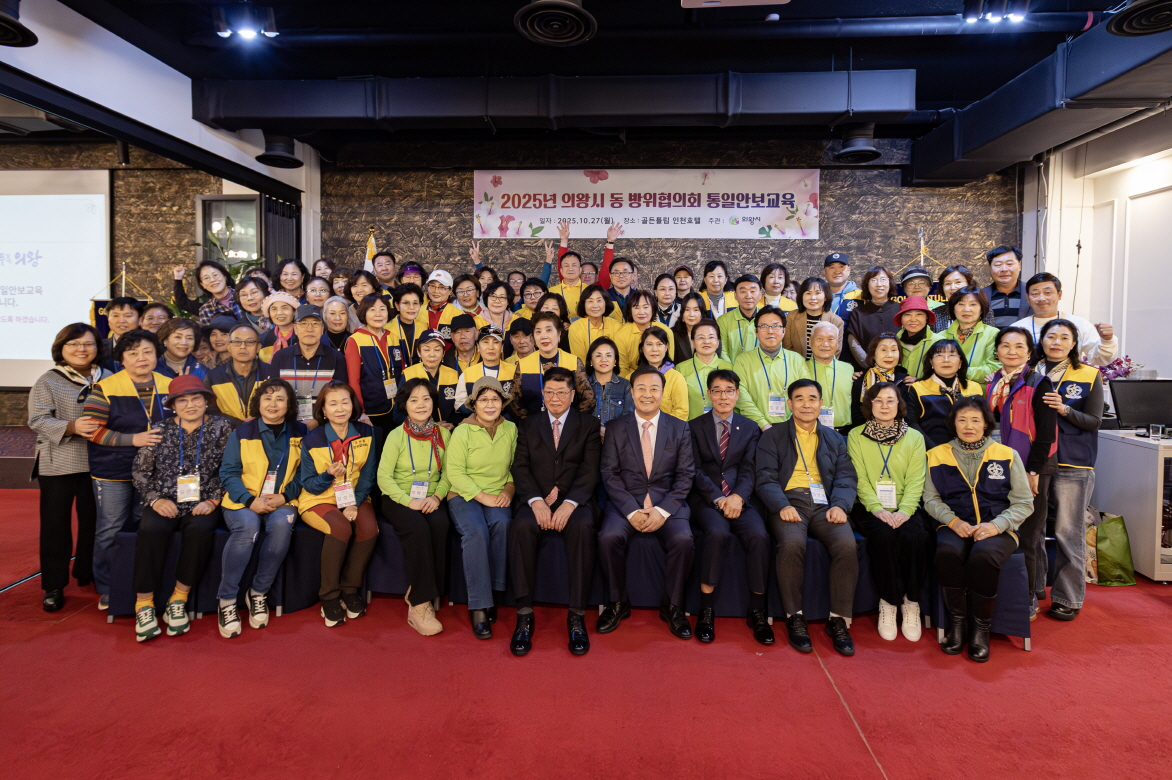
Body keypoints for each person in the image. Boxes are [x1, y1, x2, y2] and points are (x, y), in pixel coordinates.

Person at [755, 378, 859, 656]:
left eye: (812, 399)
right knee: (791, 544)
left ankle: (838, 620)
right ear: (789, 404)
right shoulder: (773, 436)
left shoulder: (835, 439)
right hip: (789, 503)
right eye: (799, 399)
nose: (806, 404)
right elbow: (764, 478)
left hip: (826, 505)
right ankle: (794, 617)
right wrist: (780, 506)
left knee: (847, 546)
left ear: (821, 404)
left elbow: (846, 478)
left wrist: (840, 505)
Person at [925, 396, 1033, 662]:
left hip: (998, 526)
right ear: (953, 423)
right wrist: (953, 521)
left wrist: (997, 525)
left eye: (975, 420)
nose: (968, 425)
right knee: (947, 552)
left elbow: (1024, 502)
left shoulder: (1007, 455)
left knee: (983, 556)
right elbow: (930, 499)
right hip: (955, 524)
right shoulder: (936, 455)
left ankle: (980, 631)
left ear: (986, 424)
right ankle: (958, 625)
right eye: (962, 420)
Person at [129, 375, 233, 642]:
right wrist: (155, 499)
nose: (190, 405)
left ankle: (179, 598)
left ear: (206, 401)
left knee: (201, 529)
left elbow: (230, 470)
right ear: (173, 405)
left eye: (196, 398)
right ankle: (144, 603)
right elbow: (140, 472)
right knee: (150, 529)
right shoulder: (159, 430)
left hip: (203, 500)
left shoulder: (222, 429)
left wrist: (212, 499)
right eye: (182, 400)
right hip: (164, 499)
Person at [508, 367, 603, 656]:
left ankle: (576, 616)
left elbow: (590, 470)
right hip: (535, 499)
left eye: (562, 392)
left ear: (573, 395)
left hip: (576, 501)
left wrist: (568, 502)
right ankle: (524, 615)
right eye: (549, 392)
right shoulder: (528, 424)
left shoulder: (588, 424)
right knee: (521, 527)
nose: (555, 398)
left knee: (583, 527)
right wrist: (536, 500)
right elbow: (520, 467)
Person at [597, 365, 696, 639]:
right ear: (631, 392)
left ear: (663, 393)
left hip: (667, 502)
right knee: (608, 537)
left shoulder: (679, 428)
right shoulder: (617, 427)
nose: (647, 394)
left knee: (683, 541)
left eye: (654, 389)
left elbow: (686, 475)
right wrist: (630, 510)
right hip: (627, 502)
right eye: (641, 388)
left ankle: (673, 605)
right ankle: (618, 602)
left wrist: (662, 511)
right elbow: (609, 474)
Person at [84, 329, 172, 610]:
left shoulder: (171, 384)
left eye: (147, 351)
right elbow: (92, 430)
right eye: (132, 353)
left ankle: (137, 582)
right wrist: (132, 440)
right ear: (121, 359)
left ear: (157, 354)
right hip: (114, 471)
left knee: (140, 527)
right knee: (111, 528)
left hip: (155, 474)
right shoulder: (106, 388)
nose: (141, 358)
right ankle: (109, 585)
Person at [687, 369, 773, 645]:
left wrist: (737, 497)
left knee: (759, 536)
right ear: (709, 394)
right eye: (717, 390)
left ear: (737, 394)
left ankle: (757, 611)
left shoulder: (749, 428)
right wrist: (718, 498)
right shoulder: (693, 426)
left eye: (729, 390)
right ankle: (707, 610)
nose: (723, 396)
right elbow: (694, 470)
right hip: (707, 499)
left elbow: (750, 470)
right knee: (716, 533)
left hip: (741, 498)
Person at [28, 324, 108, 612]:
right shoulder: (49, 380)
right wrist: (71, 426)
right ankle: (53, 585)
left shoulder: (109, 377)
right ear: (61, 348)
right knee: (55, 527)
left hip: (100, 463)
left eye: (88, 344)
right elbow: (37, 420)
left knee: (94, 523)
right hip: (58, 463)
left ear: (98, 347)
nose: (82, 349)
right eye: (73, 344)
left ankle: (87, 572)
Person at [216, 377, 304, 639]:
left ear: (289, 405)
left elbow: (305, 472)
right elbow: (228, 473)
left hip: (282, 500)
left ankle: (258, 593)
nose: (273, 404)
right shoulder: (241, 433)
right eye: (267, 398)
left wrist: (285, 495)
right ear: (258, 403)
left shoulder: (302, 433)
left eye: (280, 399)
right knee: (248, 527)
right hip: (243, 500)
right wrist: (249, 500)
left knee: (281, 525)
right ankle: (227, 600)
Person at [847, 383, 929, 642]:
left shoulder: (914, 437)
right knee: (882, 537)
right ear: (869, 404)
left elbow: (917, 479)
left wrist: (904, 511)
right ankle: (889, 602)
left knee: (915, 536)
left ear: (899, 405)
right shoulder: (855, 435)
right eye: (878, 401)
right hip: (869, 506)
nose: (884, 406)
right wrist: (877, 508)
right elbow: (858, 478)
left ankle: (911, 602)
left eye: (890, 401)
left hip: (907, 506)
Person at [1036, 318, 1103, 622]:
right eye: (1051, 336)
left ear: (1074, 343)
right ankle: (1032, 591)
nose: (1057, 342)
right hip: (1033, 462)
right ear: (1042, 339)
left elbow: (1094, 421)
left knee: (1067, 532)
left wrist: (1065, 409)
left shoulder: (1088, 375)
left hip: (1072, 461)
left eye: (1064, 337)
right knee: (1032, 531)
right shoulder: (1030, 371)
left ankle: (1068, 597)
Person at [297, 381, 380, 628]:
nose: (340, 408)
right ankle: (329, 596)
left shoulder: (366, 434)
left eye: (345, 402)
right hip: (318, 499)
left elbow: (367, 475)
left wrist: (354, 502)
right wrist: (327, 476)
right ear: (323, 410)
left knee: (369, 528)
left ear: (352, 405)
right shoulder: (312, 440)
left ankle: (349, 588)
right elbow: (309, 484)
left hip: (354, 496)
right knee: (341, 528)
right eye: (332, 403)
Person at [986, 327, 1056, 617]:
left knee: (1028, 534)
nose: (1011, 351)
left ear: (1029, 352)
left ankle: (1027, 598)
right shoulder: (994, 383)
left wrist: (1034, 471)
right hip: (1001, 467)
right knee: (1004, 531)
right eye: (1005, 345)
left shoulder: (1039, 383)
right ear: (997, 351)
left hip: (1031, 467)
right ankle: (1007, 592)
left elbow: (1046, 433)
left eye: (1018, 346)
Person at [377, 378, 451, 637]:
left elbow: (450, 473)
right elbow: (384, 477)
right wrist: (409, 501)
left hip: (431, 497)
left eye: (426, 399)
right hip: (398, 498)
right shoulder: (396, 435)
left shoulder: (443, 434)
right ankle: (419, 605)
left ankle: (425, 592)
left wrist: (437, 497)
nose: (421, 405)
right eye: (414, 400)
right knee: (418, 528)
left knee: (441, 524)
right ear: (404, 405)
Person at [445, 377, 517, 639]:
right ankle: (478, 605)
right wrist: (481, 496)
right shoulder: (463, 430)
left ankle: (495, 593)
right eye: (484, 400)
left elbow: (514, 468)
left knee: (503, 523)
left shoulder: (510, 429)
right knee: (475, 531)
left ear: (502, 403)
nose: (490, 405)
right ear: (474, 404)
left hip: (498, 493)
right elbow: (454, 472)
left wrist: (509, 490)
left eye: (495, 399)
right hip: (464, 494)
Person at [1013, 272, 1118, 366]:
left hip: (1070, 383)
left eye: (1048, 293)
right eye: (1035, 294)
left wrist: (1107, 341)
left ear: (1059, 295)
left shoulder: (1080, 324)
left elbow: (1100, 360)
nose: (1042, 298)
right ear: (1027, 298)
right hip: (1029, 385)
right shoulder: (1016, 329)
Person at [271, 304, 348, 428]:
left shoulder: (336, 357)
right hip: (286, 425)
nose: (309, 329)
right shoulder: (281, 357)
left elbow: (340, 397)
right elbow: (273, 395)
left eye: (315, 323)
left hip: (324, 425)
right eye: (303, 323)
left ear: (323, 328)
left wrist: (318, 421)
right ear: (295, 328)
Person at [733, 307, 809, 429]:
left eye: (775, 326)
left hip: (793, 428)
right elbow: (741, 397)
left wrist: (791, 424)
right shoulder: (742, 361)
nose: (770, 331)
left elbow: (805, 393)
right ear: (756, 332)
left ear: (784, 331)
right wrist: (763, 424)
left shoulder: (797, 360)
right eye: (763, 326)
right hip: (754, 429)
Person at [905, 339, 984, 448]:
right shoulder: (918, 388)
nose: (946, 360)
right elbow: (911, 424)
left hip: (971, 451)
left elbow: (983, 422)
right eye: (939, 355)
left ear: (960, 362)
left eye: (952, 355)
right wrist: (934, 450)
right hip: (933, 451)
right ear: (931, 362)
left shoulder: (974, 388)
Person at [516, 312, 594, 418]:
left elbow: (588, 399)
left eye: (549, 330)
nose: (543, 336)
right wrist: (531, 425)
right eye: (538, 332)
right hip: (533, 429)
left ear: (559, 334)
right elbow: (515, 402)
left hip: (569, 428)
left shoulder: (573, 362)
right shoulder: (523, 364)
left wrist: (571, 422)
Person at [343, 294, 398, 435]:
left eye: (382, 309)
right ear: (364, 313)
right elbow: (353, 380)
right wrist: (360, 411)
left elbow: (400, 371)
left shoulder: (393, 338)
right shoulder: (355, 340)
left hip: (396, 408)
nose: (378, 314)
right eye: (372, 310)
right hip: (370, 411)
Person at [205, 323, 272, 427]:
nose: (243, 347)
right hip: (227, 434)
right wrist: (238, 424)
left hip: (265, 431)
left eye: (250, 342)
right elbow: (210, 410)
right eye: (237, 342)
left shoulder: (271, 373)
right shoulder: (214, 376)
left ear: (258, 347)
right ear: (229, 347)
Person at [399, 329, 460, 427]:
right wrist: (430, 426)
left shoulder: (453, 374)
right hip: (419, 433)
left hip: (449, 431)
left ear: (443, 353)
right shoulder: (409, 374)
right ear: (419, 352)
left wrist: (453, 424)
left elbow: (459, 408)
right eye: (426, 350)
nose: (432, 354)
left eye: (437, 350)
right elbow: (398, 413)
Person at [845, 265, 900, 368]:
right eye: (874, 280)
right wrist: (871, 367)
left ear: (890, 283)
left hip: (898, 371)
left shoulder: (900, 309)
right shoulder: (859, 313)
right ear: (867, 285)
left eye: (883, 279)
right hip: (868, 371)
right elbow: (854, 343)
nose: (879, 284)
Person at [676, 319, 732, 420]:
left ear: (718, 341)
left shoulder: (729, 368)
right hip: (691, 429)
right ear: (693, 342)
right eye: (701, 338)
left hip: (724, 427)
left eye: (711, 337)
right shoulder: (681, 369)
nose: (706, 341)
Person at [941, 287, 998, 384]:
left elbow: (994, 368)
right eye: (961, 304)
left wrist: (956, 372)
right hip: (945, 395)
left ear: (981, 309)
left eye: (973, 304)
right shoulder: (940, 336)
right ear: (953, 308)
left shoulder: (993, 334)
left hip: (980, 395)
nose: (966, 309)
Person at [850, 333, 908, 427]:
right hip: (866, 433)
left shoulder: (905, 381)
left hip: (899, 433)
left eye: (894, 350)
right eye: (883, 350)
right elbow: (855, 414)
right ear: (873, 354)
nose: (889, 355)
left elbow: (908, 416)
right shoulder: (860, 380)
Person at [615, 290, 676, 378]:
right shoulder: (621, 334)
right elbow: (622, 368)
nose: (641, 312)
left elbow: (668, 363)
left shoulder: (666, 331)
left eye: (646, 307)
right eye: (636, 307)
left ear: (653, 308)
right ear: (630, 310)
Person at [806, 322, 854, 433]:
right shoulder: (800, 368)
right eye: (820, 339)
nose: (825, 344)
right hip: (810, 433)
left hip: (844, 434)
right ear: (810, 341)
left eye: (831, 339)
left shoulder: (849, 369)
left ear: (837, 343)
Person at [784, 277, 845, 360]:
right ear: (802, 296)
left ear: (825, 296)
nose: (813, 297)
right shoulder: (791, 317)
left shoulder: (836, 321)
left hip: (824, 369)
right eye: (808, 293)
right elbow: (787, 348)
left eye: (817, 293)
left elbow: (835, 351)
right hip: (796, 369)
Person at [636, 326, 688, 420]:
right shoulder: (632, 377)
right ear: (643, 348)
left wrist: (660, 428)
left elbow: (682, 411)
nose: (654, 349)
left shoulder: (676, 378)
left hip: (668, 432)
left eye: (659, 344)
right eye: (649, 344)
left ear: (666, 347)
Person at [585, 336, 632, 434]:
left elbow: (628, 418)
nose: (604, 359)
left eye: (609, 355)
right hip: (589, 441)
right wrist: (598, 430)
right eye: (598, 355)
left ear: (615, 361)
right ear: (590, 361)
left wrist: (609, 434)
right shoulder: (583, 386)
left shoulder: (625, 386)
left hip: (617, 440)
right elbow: (578, 418)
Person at [717, 274, 763, 364]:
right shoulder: (723, 321)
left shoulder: (768, 320)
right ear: (735, 295)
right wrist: (734, 374)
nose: (748, 296)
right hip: (733, 375)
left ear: (760, 295)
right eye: (743, 291)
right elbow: (722, 352)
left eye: (753, 291)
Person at [568, 284, 619, 364]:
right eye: (590, 301)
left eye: (599, 300)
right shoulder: (576, 327)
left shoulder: (617, 326)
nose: (595, 305)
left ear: (605, 303)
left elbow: (619, 358)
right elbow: (580, 362)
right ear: (583, 304)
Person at [983, 245, 1032, 327]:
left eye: (1009, 264)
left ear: (1020, 265)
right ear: (989, 268)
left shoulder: (1033, 292)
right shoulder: (980, 295)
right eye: (998, 265)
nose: (1004, 269)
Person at [930, 265, 990, 332]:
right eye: (947, 283)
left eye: (958, 282)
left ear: (969, 284)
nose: (952, 287)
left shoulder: (983, 309)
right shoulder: (936, 313)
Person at [894, 296, 941, 377]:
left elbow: (946, 373)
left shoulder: (939, 342)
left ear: (927, 317)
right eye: (907, 314)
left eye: (919, 314)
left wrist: (920, 382)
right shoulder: (893, 342)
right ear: (901, 318)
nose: (913, 319)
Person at [388, 283, 423, 376]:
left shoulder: (425, 328)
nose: (411, 307)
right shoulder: (387, 329)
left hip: (419, 378)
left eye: (415, 303)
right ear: (397, 305)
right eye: (405, 303)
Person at [259, 291, 300, 361]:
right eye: (274, 309)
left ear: (294, 312)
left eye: (284, 308)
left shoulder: (303, 335)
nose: (279, 313)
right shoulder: (264, 338)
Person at [102, 297, 141, 370]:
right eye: (115, 315)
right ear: (108, 319)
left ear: (140, 319)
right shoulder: (98, 348)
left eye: (128, 316)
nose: (121, 320)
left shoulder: (151, 348)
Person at [425, 270, 464, 340]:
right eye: (432, 286)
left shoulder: (458, 315)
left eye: (442, 287)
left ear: (450, 290)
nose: (436, 291)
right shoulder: (418, 312)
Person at [822, 252, 863, 319]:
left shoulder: (861, 296)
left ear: (848, 270)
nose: (837, 271)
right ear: (824, 272)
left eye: (841, 267)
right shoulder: (817, 296)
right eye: (832, 267)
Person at [670, 291, 707, 364]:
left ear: (702, 314)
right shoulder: (673, 334)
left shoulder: (710, 334)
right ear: (682, 314)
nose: (691, 314)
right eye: (687, 310)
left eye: (696, 310)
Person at [549, 250, 587, 317]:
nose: (570, 269)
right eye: (566, 266)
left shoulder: (589, 290)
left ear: (580, 269)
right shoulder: (551, 292)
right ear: (561, 270)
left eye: (574, 265)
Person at [606, 257, 637, 322]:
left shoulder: (641, 297)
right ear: (610, 276)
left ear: (632, 275)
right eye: (616, 273)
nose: (621, 276)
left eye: (625, 272)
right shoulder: (603, 297)